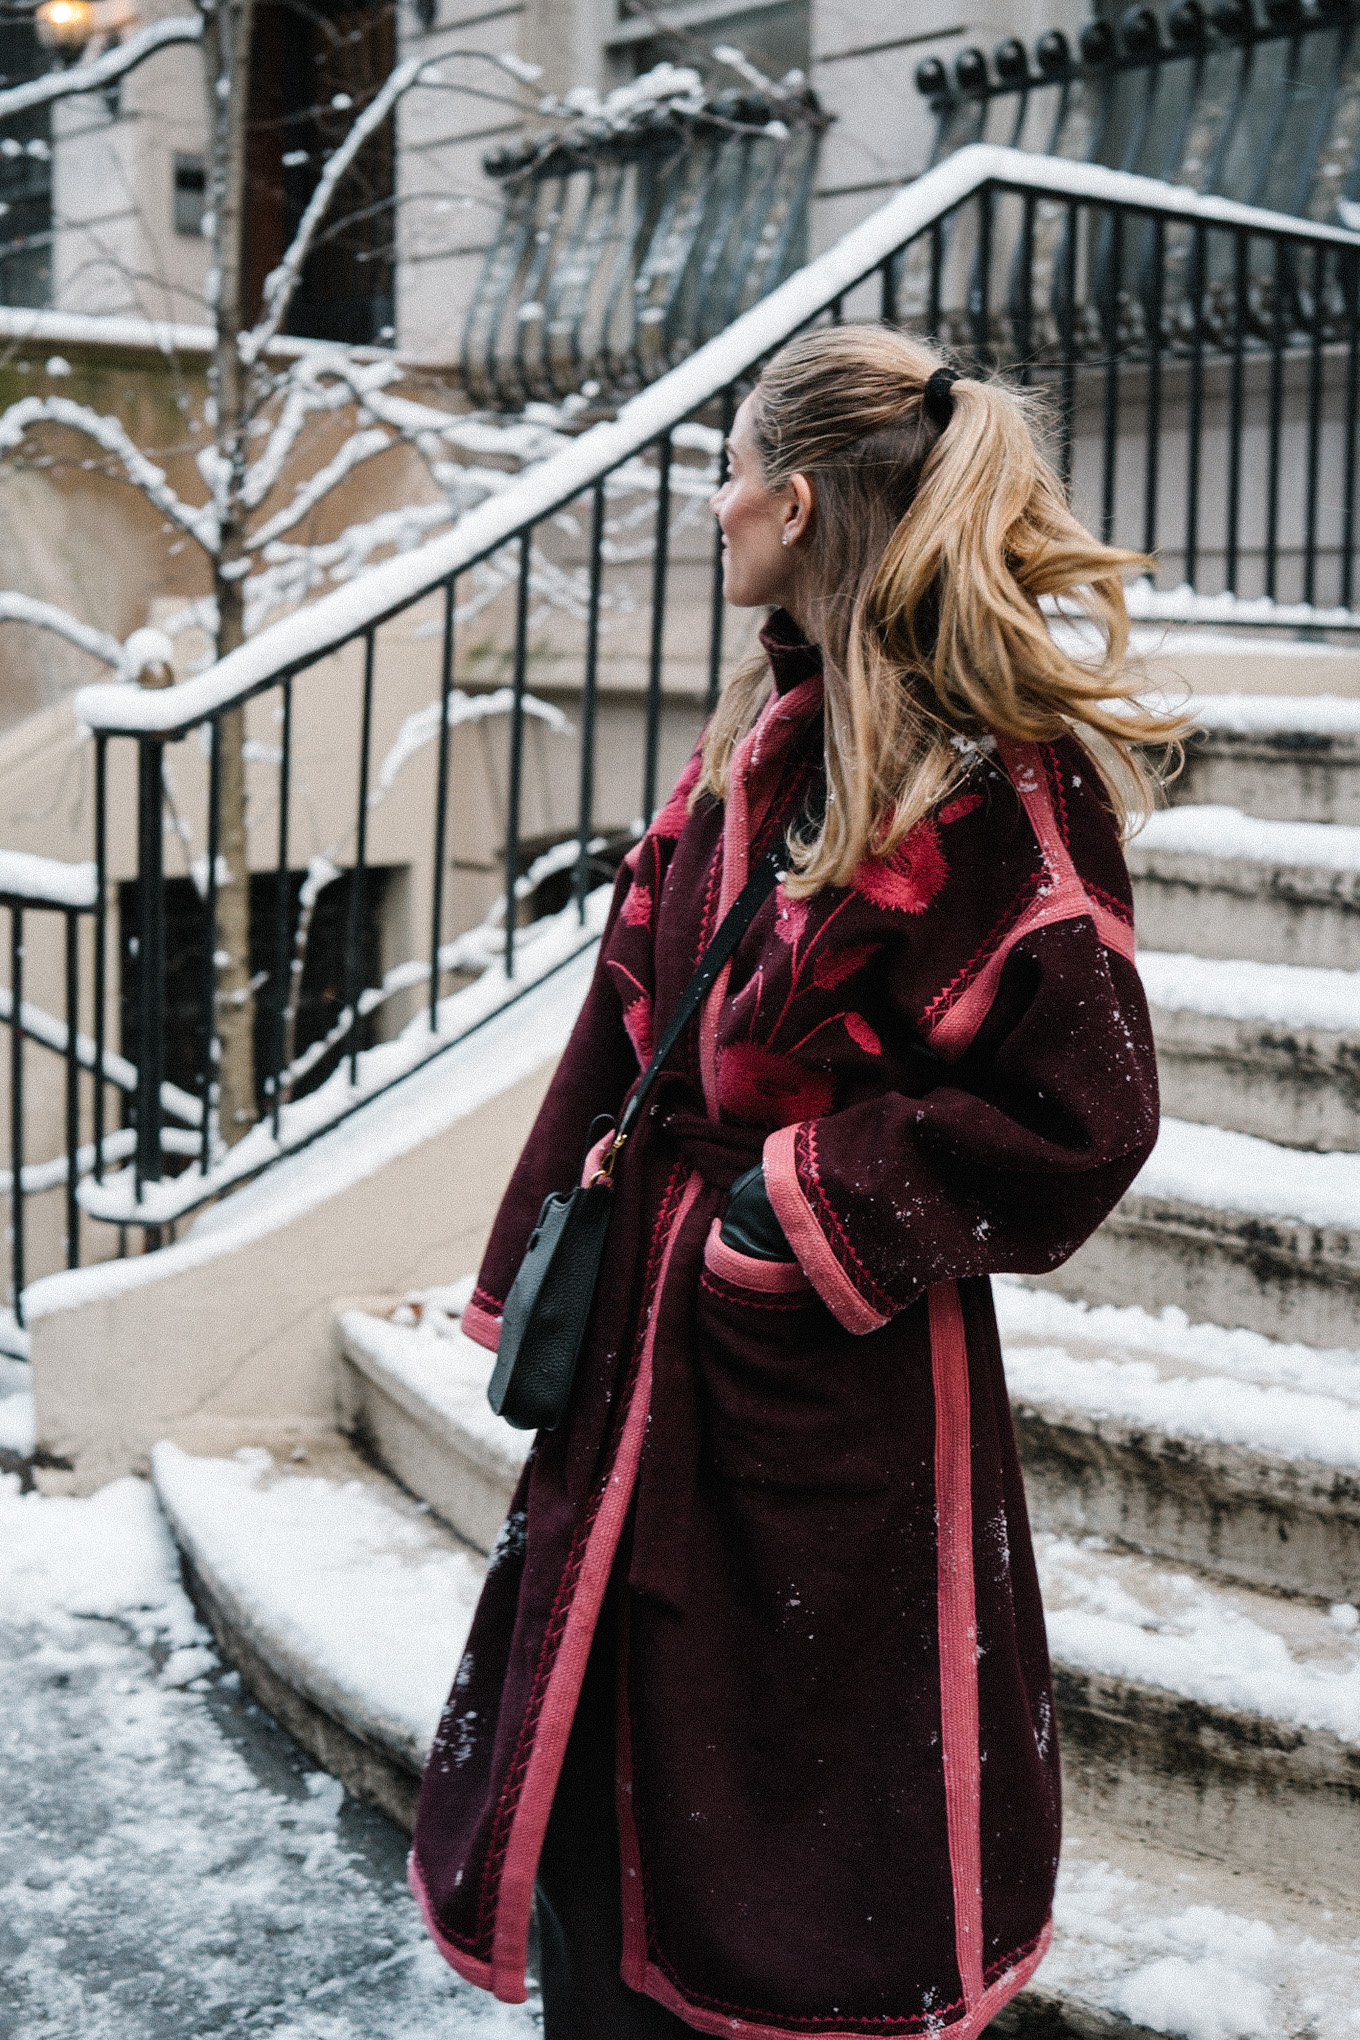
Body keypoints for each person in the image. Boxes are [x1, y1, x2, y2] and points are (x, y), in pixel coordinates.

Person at [410, 325, 1181, 2039]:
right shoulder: (756, 732)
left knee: (799, 1852)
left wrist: (804, 1210)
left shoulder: (997, 783)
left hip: (826, 1401)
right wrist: (552, 1259)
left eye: (730, 469)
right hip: (637, 1382)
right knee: (603, 1833)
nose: (713, 506)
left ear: (802, 499)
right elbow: (627, 1022)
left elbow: (1088, 1108)